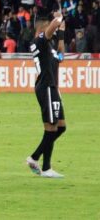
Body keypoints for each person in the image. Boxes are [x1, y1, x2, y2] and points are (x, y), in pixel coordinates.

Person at [26, 12, 67, 178]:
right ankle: (36, 159)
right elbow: (53, 26)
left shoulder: (48, 47)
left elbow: (61, 56)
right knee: (51, 128)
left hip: (52, 88)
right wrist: (59, 18)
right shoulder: (40, 41)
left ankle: (45, 165)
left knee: (61, 127)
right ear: (43, 27)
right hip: (46, 88)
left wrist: (62, 33)